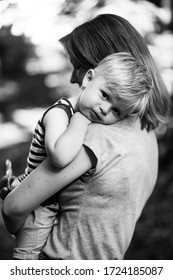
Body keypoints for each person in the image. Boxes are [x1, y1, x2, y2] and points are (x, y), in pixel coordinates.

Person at [1, 14, 170, 260]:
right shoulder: (146, 133)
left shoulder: (95, 136)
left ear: (97, 70)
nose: (72, 78)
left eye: (77, 66)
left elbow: (14, 207)